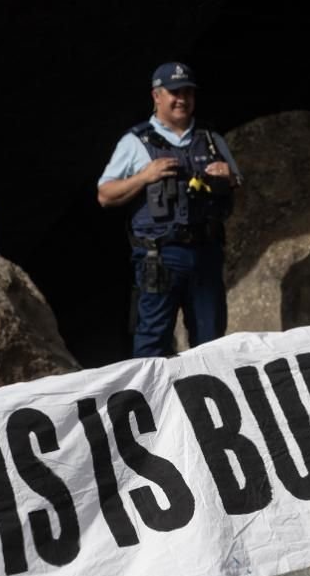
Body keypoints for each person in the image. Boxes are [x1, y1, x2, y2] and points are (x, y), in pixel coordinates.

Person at [97, 62, 242, 358]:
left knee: (211, 340)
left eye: (187, 92)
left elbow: (237, 180)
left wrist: (227, 175)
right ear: (157, 96)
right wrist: (144, 177)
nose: (182, 99)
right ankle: (151, 403)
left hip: (206, 252)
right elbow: (105, 194)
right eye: (174, 92)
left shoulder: (211, 138)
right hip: (160, 257)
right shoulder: (136, 141)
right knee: (152, 342)